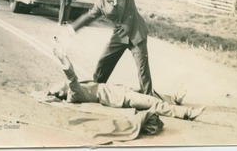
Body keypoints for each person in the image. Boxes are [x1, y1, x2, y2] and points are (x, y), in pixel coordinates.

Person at [47, 38, 205, 121]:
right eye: (58, 87)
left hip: (121, 90)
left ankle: (174, 99)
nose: (60, 84)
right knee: (153, 103)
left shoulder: (75, 90)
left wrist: (63, 52)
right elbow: (71, 76)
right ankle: (186, 113)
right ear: (62, 93)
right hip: (122, 97)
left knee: (149, 93)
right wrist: (62, 58)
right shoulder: (73, 93)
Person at [65, 0, 153, 95]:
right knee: (104, 62)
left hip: (137, 34)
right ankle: (95, 89)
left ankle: (148, 97)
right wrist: (73, 28)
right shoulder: (101, 3)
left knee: (142, 69)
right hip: (120, 35)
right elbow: (89, 16)